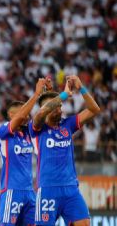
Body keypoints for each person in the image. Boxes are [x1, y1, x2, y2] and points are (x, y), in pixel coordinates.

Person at [30, 75, 100, 226]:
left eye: (60, 106)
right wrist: (63, 95)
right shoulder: (37, 128)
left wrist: (81, 87)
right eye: (56, 106)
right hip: (48, 189)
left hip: (71, 190)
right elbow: (40, 114)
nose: (60, 109)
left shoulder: (67, 124)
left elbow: (94, 109)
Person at [0, 78, 50, 225]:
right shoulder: (3, 131)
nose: (26, 115)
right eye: (22, 112)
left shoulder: (28, 133)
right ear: (11, 115)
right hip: (11, 191)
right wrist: (36, 94)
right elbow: (21, 117)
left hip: (29, 192)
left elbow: (44, 117)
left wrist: (48, 96)